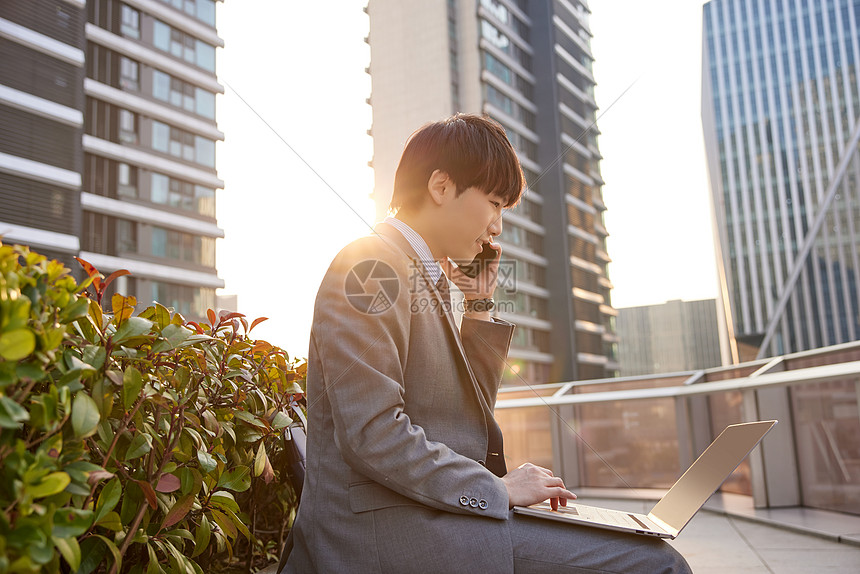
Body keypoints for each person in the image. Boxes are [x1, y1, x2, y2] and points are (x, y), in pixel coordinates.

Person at [282, 113, 691, 573]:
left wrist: (478, 303)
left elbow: (460, 415)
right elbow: (373, 434)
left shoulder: (417, 275)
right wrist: (497, 489)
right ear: (441, 187)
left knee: (646, 554)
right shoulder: (370, 266)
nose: (497, 227)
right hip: (386, 534)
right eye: (494, 203)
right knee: (657, 565)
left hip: (426, 514)